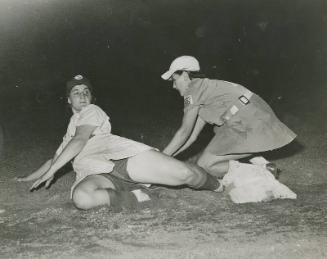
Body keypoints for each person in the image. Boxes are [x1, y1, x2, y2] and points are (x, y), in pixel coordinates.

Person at [17, 74, 223, 211]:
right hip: (96, 174)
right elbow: (54, 158)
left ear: (91, 98)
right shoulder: (70, 129)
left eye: (86, 91)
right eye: (76, 92)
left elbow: (80, 141)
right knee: (82, 198)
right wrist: (26, 179)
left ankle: (219, 186)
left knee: (186, 174)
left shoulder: (91, 111)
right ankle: (145, 197)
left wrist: (53, 170)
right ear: (68, 100)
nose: (82, 95)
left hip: (123, 160)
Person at [161, 56, 296, 178]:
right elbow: (191, 137)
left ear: (184, 75)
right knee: (207, 160)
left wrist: (160, 158)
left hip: (249, 120)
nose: (173, 86)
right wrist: (168, 157)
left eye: (174, 79)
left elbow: (183, 132)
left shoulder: (193, 89)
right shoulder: (204, 88)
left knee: (206, 165)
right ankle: (262, 166)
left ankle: (263, 170)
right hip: (252, 116)